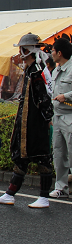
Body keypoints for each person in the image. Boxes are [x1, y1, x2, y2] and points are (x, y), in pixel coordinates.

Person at [0, 34, 54, 208]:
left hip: (36, 123)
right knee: (21, 158)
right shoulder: (30, 69)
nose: (20, 53)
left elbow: (44, 99)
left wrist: (48, 119)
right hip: (26, 122)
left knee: (42, 158)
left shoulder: (37, 71)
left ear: (28, 51)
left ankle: (43, 197)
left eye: (22, 50)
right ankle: (10, 194)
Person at [49, 37, 72, 199]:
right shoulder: (55, 70)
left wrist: (67, 96)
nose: (51, 54)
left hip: (70, 116)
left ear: (60, 53)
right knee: (58, 153)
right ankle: (61, 188)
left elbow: (64, 95)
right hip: (57, 117)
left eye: (53, 51)